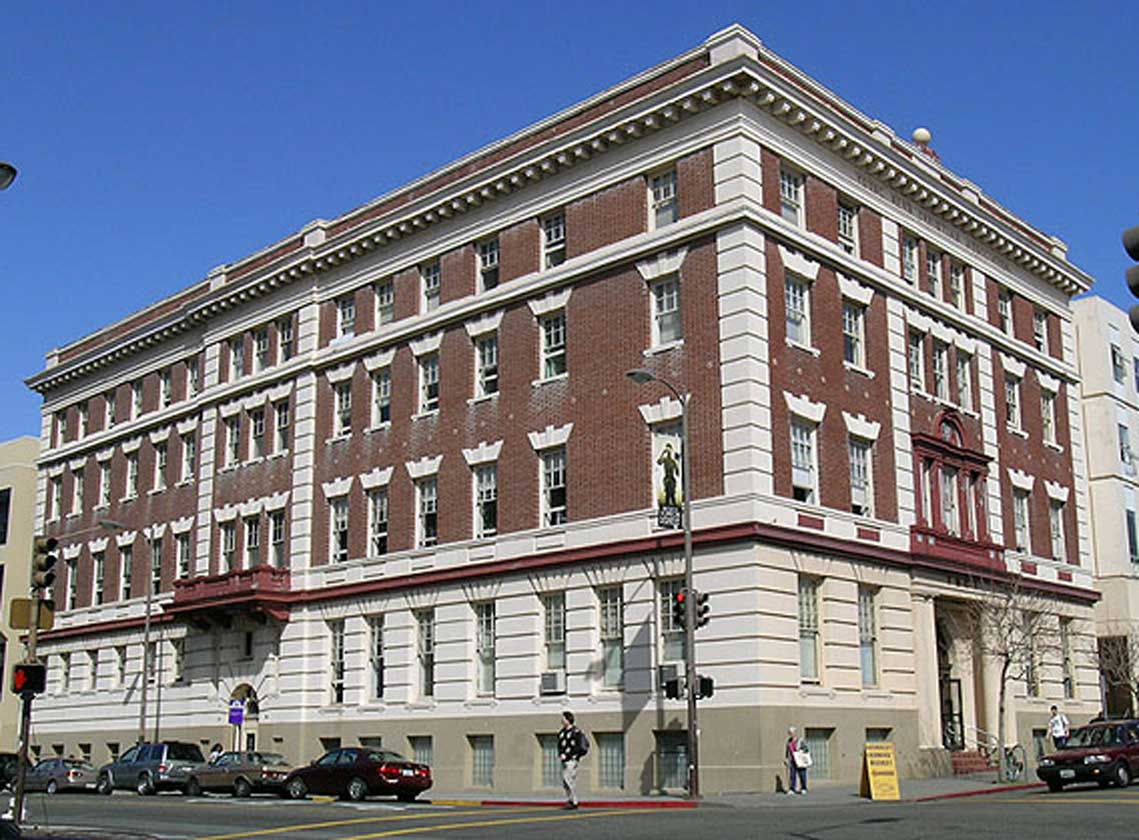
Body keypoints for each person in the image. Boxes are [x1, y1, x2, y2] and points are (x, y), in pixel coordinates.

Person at [557, 710, 588, 810]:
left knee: (568, 778)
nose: (562, 720)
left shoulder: (576, 732)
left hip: (572, 760)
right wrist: (561, 754)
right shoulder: (561, 733)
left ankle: (574, 801)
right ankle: (570, 800)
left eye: (563, 718)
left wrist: (569, 755)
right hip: (564, 759)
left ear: (568, 719)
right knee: (565, 781)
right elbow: (559, 745)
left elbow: (578, 747)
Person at [785, 726, 809, 795]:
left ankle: (803, 788)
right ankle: (792, 789)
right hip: (793, 760)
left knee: (802, 774)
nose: (790, 734)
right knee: (792, 775)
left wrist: (801, 752)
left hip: (800, 760)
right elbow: (787, 751)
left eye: (792, 732)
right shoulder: (789, 742)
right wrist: (786, 758)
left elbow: (806, 749)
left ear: (795, 733)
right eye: (789, 733)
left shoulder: (800, 740)